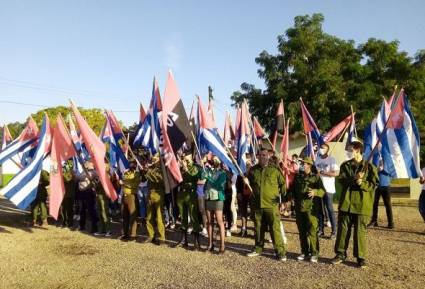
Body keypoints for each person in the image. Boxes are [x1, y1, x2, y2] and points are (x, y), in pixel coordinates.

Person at [331, 139, 378, 268]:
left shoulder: (370, 167)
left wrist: (362, 183)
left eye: (351, 149)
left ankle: (360, 257)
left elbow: (374, 185)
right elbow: (341, 181)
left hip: (362, 205)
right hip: (347, 203)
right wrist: (354, 179)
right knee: (343, 230)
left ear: (357, 150)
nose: (349, 151)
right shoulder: (345, 166)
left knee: (360, 232)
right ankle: (340, 253)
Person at [246, 147, 287, 262]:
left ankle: (280, 252)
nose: (262, 157)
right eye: (260, 155)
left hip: (271, 206)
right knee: (258, 228)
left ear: (268, 156)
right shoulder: (253, 170)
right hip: (257, 205)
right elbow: (248, 185)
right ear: (258, 156)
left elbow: (283, 185)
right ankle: (258, 248)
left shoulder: (274, 170)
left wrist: (283, 201)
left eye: (265, 155)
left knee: (275, 229)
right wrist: (246, 181)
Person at [291, 157, 325, 263]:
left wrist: (315, 192)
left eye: (304, 163)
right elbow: (292, 190)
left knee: (312, 231)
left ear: (309, 165)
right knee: (302, 231)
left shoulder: (315, 177)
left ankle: (314, 253)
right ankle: (305, 252)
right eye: (301, 163)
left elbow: (322, 191)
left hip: (311, 208)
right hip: (299, 207)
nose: (302, 165)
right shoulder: (297, 177)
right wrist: (289, 198)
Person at [174, 154, 202, 250]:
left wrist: (186, 169)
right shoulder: (180, 167)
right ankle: (184, 240)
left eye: (186, 158)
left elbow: (195, 177)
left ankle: (196, 242)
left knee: (194, 217)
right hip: (181, 194)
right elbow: (177, 179)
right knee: (183, 217)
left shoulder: (195, 168)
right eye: (183, 158)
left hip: (191, 195)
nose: (184, 159)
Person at [315, 143, 339, 238]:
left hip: (328, 188)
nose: (320, 149)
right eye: (320, 147)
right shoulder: (317, 159)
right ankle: (321, 230)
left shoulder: (331, 159)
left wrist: (324, 172)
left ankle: (334, 231)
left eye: (323, 148)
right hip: (318, 188)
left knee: (329, 209)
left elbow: (336, 173)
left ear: (327, 150)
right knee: (319, 210)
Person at [204, 156, 227, 253]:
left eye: (215, 160)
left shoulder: (222, 173)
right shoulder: (209, 171)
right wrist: (203, 168)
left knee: (219, 222)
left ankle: (222, 245)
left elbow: (219, 185)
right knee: (209, 222)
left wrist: (208, 177)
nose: (213, 162)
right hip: (209, 198)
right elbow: (202, 177)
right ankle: (210, 244)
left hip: (218, 198)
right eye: (212, 160)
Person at [143, 154, 166, 245]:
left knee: (159, 217)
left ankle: (161, 237)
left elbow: (157, 179)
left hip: (158, 194)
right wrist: (144, 170)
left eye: (155, 159)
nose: (153, 160)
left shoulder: (162, 169)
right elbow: (144, 179)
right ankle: (151, 235)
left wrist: (147, 171)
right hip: (150, 194)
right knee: (149, 216)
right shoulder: (151, 168)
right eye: (153, 159)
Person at [369, 158, 394, 229]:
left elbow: (392, 172)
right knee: (374, 204)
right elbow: (371, 170)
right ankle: (374, 221)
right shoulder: (375, 159)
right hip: (376, 185)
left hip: (386, 185)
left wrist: (383, 169)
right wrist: (376, 169)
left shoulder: (388, 159)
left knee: (388, 204)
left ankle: (391, 223)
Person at [119, 160, 141, 241]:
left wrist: (124, 183)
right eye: (131, 163)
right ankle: (125, 233)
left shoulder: (137, 174)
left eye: (133, 164)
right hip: (124, 196)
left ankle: (133, 235)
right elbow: (122, 183)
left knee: (132, 216)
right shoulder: (125, 173)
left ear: (135, 165)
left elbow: (135, 185)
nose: (131, 165)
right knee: (124, 216)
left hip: (132, 196)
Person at [75, 161, 98, 234]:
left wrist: (76, 175)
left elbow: (85, 177)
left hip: (88, 192)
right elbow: (78, 178)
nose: (85, 164)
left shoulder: (93, 172)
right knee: (82, 210)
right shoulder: (83, 172)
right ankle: (82, 226)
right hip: (81, 193)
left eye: (86, 164)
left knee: (91, 210)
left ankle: (94, 227)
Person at [236, 161, 252, 237]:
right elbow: (238, 183)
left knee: (254, 214)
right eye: (246, 165)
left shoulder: (253, 174)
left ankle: (256, 231)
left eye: (249, 165)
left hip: (251, 195)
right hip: (243, 195)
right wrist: (239, 193)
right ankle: (244, 229)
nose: (247, 166)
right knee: (243, 212)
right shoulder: (240, 174)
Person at [61, 161, 76, 229]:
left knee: (69, 209)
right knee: (64, 209)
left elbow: (67, 179)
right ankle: (65, 222)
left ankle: (70, 223)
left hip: (70, 194)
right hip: (64, 194)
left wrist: (62, 173)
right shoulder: (67, 173)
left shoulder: (71, 173)